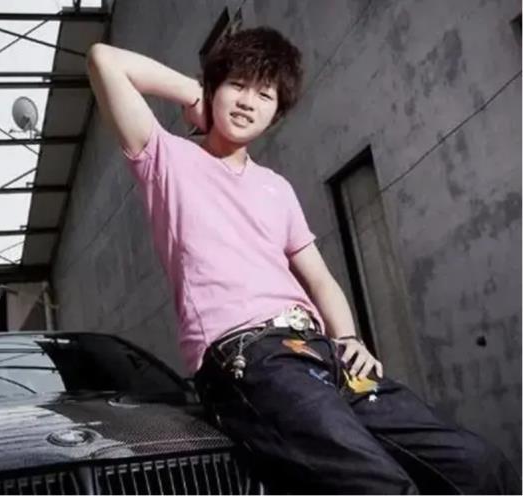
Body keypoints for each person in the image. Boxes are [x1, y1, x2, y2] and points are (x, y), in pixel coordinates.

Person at [85, 26, 521, 494]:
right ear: (214, 87)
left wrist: (349, 337)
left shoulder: (276, 187)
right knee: (380, 485)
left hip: (320, 352)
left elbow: (320, 278)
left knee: (477, 464)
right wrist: (196, 94)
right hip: (248, 357)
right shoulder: (166, 158)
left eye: (265, 94)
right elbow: (104, 59)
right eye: (237, 85)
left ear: (276, 113)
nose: (248, 102)